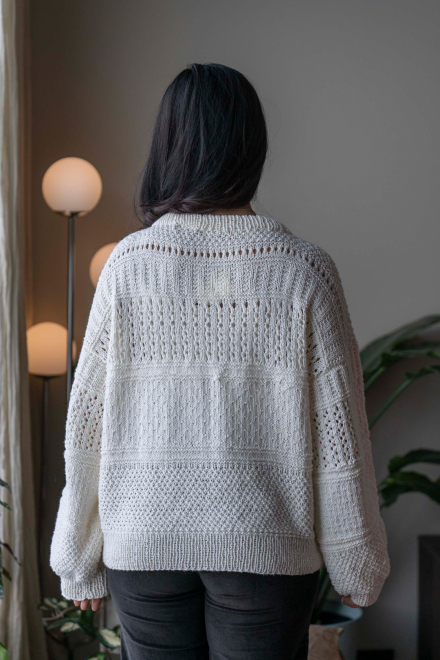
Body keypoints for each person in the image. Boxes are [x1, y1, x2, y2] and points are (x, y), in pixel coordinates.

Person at [50, 62, 390, 660]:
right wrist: (357, 562)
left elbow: (87, 426)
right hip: (265, 550)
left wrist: (77, 557)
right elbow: (341, 435)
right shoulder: (303, 271)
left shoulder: (127, 267)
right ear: (252, 147)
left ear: (169, 146)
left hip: (144, 545)